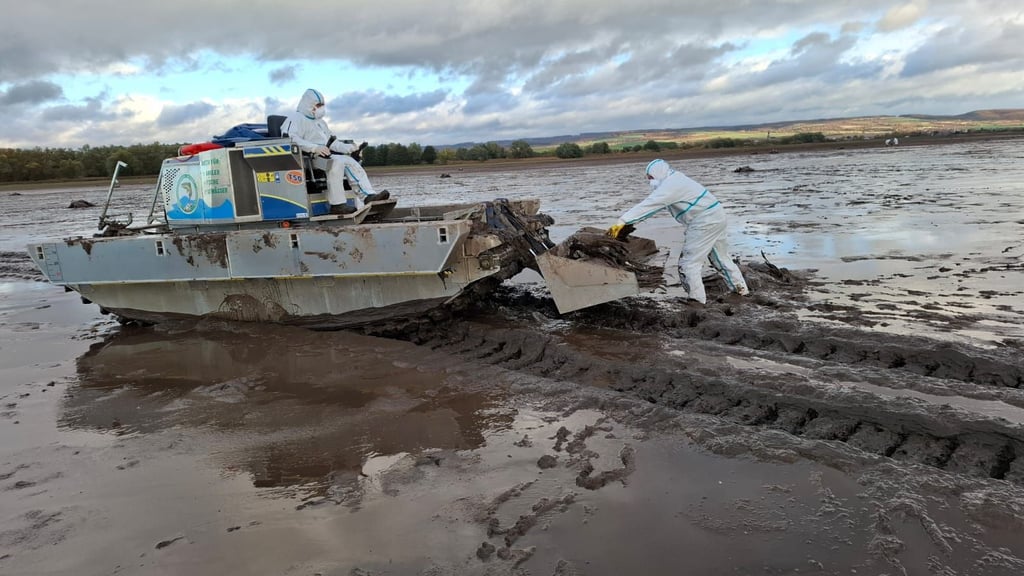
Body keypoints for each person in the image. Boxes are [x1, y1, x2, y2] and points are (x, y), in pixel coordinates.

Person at [608, 159, 749, 304]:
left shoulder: (671, 185)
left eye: (650, 178)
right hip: (716, 216)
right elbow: (654, 204)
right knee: (721, 258)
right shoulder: (674, 178)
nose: (650, 181)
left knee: (688, 264)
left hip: (704, 222)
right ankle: (741, 291)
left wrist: (623, 222)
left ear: (658, 173)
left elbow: (650, 204)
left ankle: (697, 301)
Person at [280, 88, 389, 215]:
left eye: (322, 105)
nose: (321, 108)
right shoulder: (295, 119)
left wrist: (350, 148)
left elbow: (333, 143)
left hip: (324, 155)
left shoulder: (320, 123)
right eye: (318, 105)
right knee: (336, 162)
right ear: (309, 105)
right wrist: (314, 148)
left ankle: (368, 196)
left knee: (349, 161)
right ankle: (337, 205)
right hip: (307, 158)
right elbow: (289, 139)